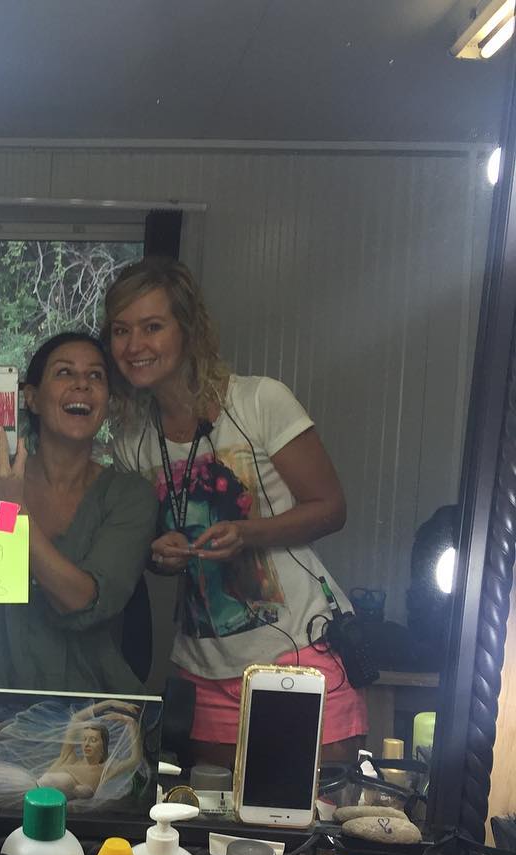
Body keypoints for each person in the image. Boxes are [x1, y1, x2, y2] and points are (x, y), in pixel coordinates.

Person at [103, 257, 367, 767]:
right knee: (211, 815)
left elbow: (331, 508)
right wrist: (161, 555)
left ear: (188, 330)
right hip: (202, 668)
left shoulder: (259, 400)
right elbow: (151, 550)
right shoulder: (132, 440)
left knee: (316, 812)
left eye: (152, 327)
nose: (134, 345)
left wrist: (247, 533)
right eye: (121, 330)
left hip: (299, 651)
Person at [0, 331, 160, 709]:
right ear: (32, 398)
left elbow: (80, 601)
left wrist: (11, 509)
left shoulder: (129, 496)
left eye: (96, 375)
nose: (82, 384)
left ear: (107, 402)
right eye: (64, 372)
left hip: (92, 718)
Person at [37, 699, 143, 799]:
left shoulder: (105, 771)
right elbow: (77, 718)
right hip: (32, 794)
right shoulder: (68, 757)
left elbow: (135, 759)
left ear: (103, 745)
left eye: (93, 740)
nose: (86, 744)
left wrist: (131, 723)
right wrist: (110, 703)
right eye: (84, 739)